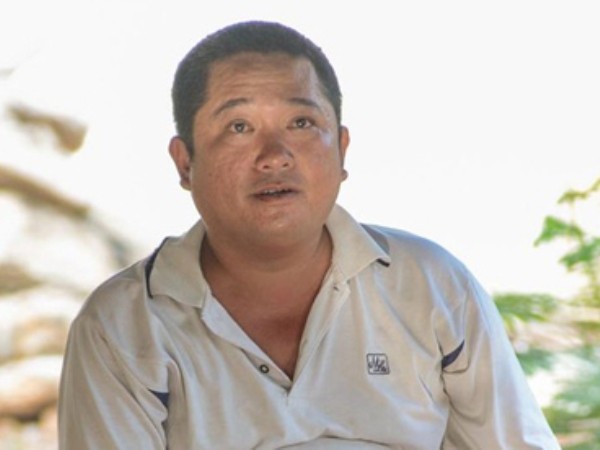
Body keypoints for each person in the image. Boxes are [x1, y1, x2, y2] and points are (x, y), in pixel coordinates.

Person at [58, 20, 560, 449]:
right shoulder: (123, 327)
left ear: (341, 150)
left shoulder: (431, 286)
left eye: (301, 122)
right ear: (185, 161)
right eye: (238, 127)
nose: (274, 156)